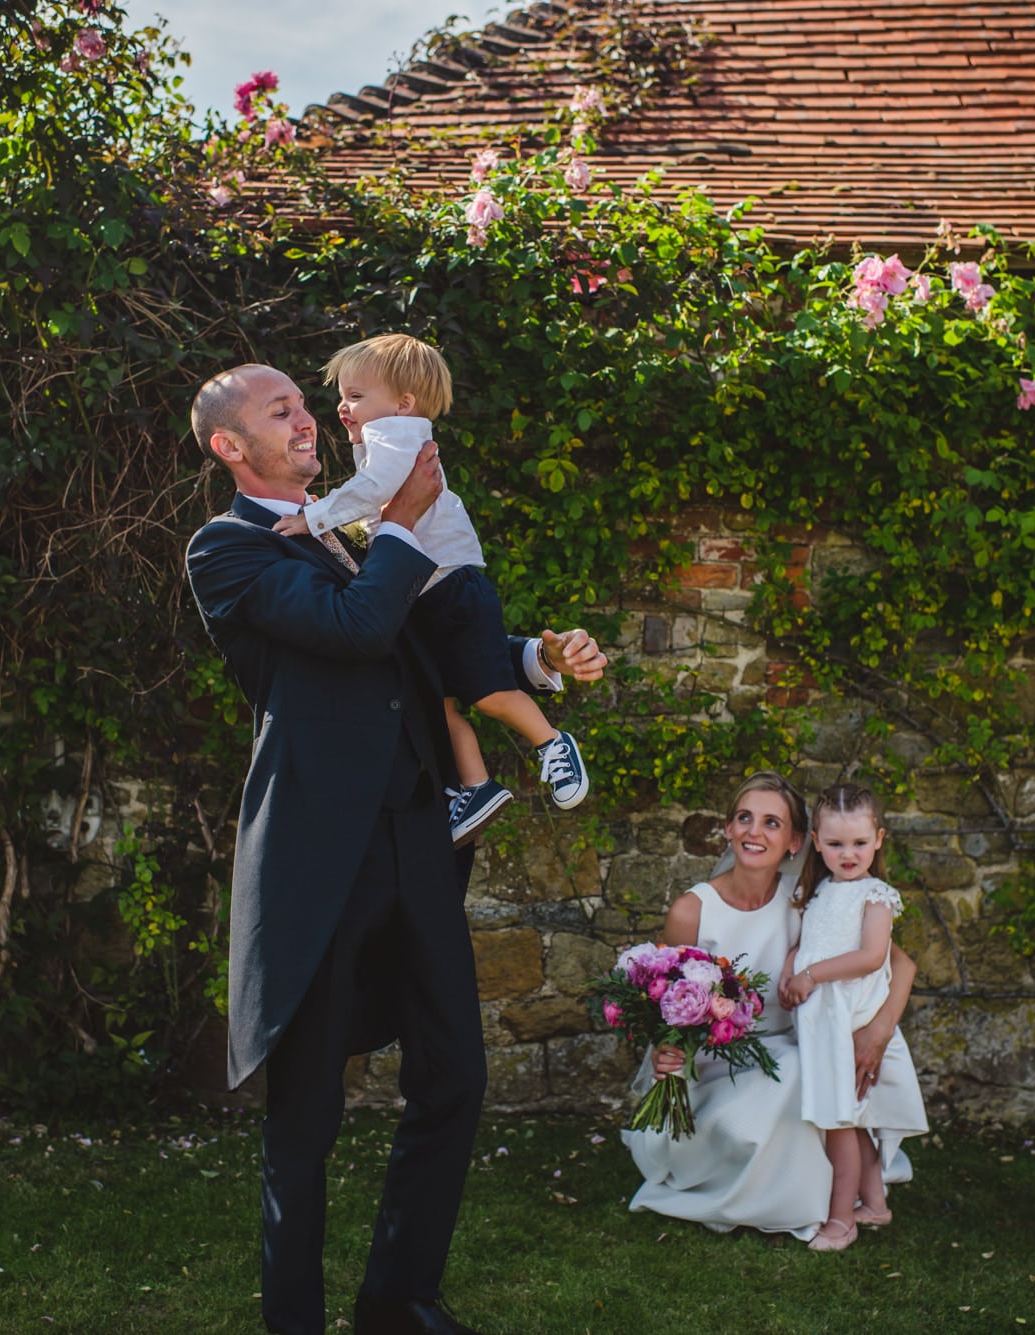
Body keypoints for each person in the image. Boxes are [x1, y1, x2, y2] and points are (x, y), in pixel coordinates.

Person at [183, 362, 607, 1335]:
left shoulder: (350, 534)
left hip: (418, 843)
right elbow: (357, 624)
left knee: (454, 1078)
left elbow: (429, 651)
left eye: (303, 404)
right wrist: (407, 522)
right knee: (304, 1126)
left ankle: (397, 1301)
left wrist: (539, 660)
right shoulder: (229, 553)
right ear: (228, 446)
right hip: (318, 865)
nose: (306, 421)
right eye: (279, 411)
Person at [266, 333, 587, 845]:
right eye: (344, 397)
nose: (341, 407)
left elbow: (375, 492)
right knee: (436, 700)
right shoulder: (384, 438)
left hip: (451, 586)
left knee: (486, 694)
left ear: (404, 403)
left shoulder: (397, 436)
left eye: (354, 396)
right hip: (427, 593)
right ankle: (475, 787)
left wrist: (317, 517)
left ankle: (552, 743)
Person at [626, 772, 918, 1241]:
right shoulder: (691, 911)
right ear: (728, 828)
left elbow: (900, 964)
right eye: (744, 818)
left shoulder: (806, 900)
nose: (754, 832)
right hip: (715, 1063)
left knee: (807, 1068)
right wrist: (666, 1050)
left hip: (791, 1047)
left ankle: (815, 1198)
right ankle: (786, 1194)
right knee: (806, 1071)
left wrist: (879, 1030)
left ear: (796, 842)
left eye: (771, 823)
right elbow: (667, 999)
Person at [777, 782, 930, 1252]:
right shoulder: (821, 893)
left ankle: (841, 1220)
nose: (849, 854)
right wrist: (791, 968)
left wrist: (812, 975)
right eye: (837, 844)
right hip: (823, 1022)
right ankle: (876, 1204)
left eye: (860, 843)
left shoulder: (877, 896)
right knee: (850, 1123)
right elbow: (809, 943)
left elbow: (869, 956)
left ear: (879, 840)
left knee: (837, 1126)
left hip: (845, 1023)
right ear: (817, 843)